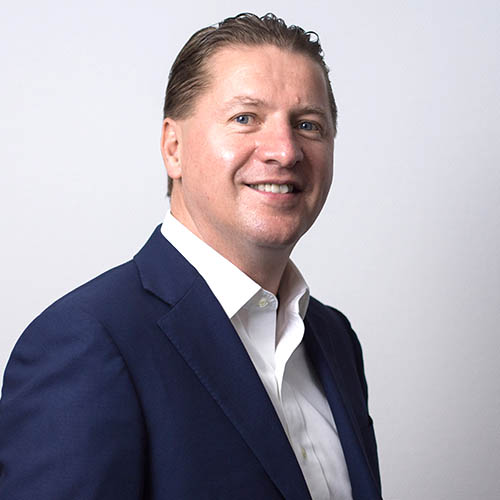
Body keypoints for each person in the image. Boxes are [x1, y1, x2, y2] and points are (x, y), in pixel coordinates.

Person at [0, 13, 381, 500]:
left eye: (308, 125)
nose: (285, 151)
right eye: (245, 118)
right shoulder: (88, 342)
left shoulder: (334, 339)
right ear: (173, 148)